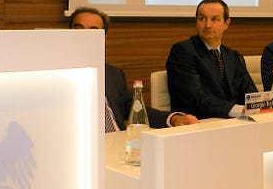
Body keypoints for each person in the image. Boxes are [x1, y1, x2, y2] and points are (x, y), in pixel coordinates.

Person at [69, 7, 198, 130]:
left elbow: (133, 108)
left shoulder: (113, 74)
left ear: (104, 39)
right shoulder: (61, 76)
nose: (84, 36)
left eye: (93, 31)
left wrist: (173, 119)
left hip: (118, 139)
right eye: (79, 29)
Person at [165, 0, 257, 119]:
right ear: (196, 21)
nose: (207, 25)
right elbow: (195, 99)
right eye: (202, 19)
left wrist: (258, 105)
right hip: (199, 123)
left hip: (235, 121)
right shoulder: (183, 52)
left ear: (226, 23)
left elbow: (250, 93)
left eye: (214, 19)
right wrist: (239, 110)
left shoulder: (233, 56)